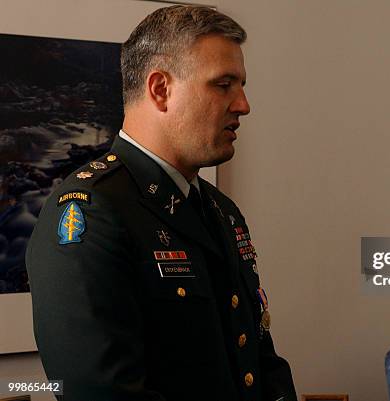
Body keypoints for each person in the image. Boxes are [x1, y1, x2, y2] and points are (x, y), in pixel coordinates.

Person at [26, 6, 296, 401]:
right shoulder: (91, 212)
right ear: (160, 90)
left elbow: (260, 360)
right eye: (223, 85)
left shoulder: (221, 210)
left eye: (241, 85)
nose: (243, 105)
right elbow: (105, 392)